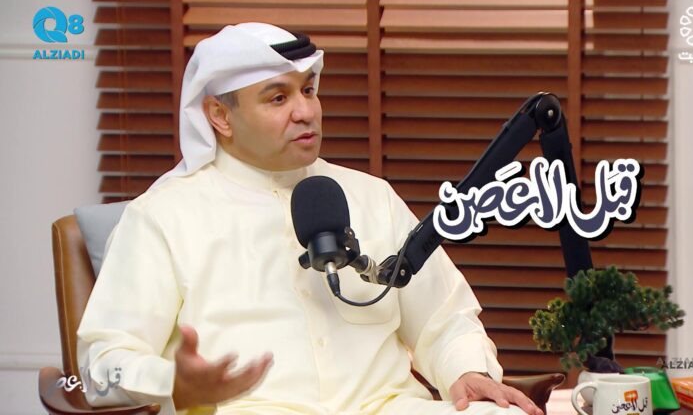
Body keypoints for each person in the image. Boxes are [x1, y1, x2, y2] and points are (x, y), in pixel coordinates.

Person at [77, 22, 544, 415]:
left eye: (308, 90)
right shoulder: (163, 217)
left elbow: (446, 317)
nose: (305, 112)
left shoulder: (371, 196)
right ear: (220, 116)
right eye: (277, 98)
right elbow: (102, 362)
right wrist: (174, 384)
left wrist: (466, 370)